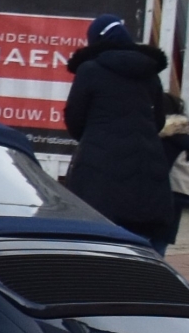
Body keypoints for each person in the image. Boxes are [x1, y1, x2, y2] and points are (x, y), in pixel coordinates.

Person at [63, 13, 178, 250]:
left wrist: (95, 136)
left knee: (96, 238)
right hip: (149, 169)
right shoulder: (150, 72)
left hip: (99, 172)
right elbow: (158, 122)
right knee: (147, 238)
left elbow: (75, 118)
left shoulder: (90, 70)